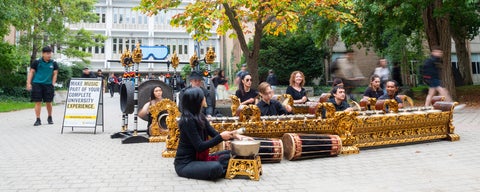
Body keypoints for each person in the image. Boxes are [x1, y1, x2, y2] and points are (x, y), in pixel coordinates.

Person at [174, 87, 251, 180]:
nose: (205, 98)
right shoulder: (187, 121)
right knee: (216, 168)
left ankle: (228, 168)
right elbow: (200, 146)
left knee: (231, 154)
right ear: (196, 101)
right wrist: (221, 137)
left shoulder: (200, 116)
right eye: (202, 97)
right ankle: (225, 169)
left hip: (200, 159)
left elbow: (215, 134)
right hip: (186, 164)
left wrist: (235, 135)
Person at [26, 46, 59, 126]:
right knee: (38, 102)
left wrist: (53, 84)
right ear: (43, 54)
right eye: (47, 53)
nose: (49, 55)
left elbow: (55, 74)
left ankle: (50, 117)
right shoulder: (37, 62)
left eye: (50, 53)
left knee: (49, 102)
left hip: (48, 85)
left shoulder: (53, 63)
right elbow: (31, 72)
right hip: (37, 84)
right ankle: (38, 119)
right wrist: (28, 83)